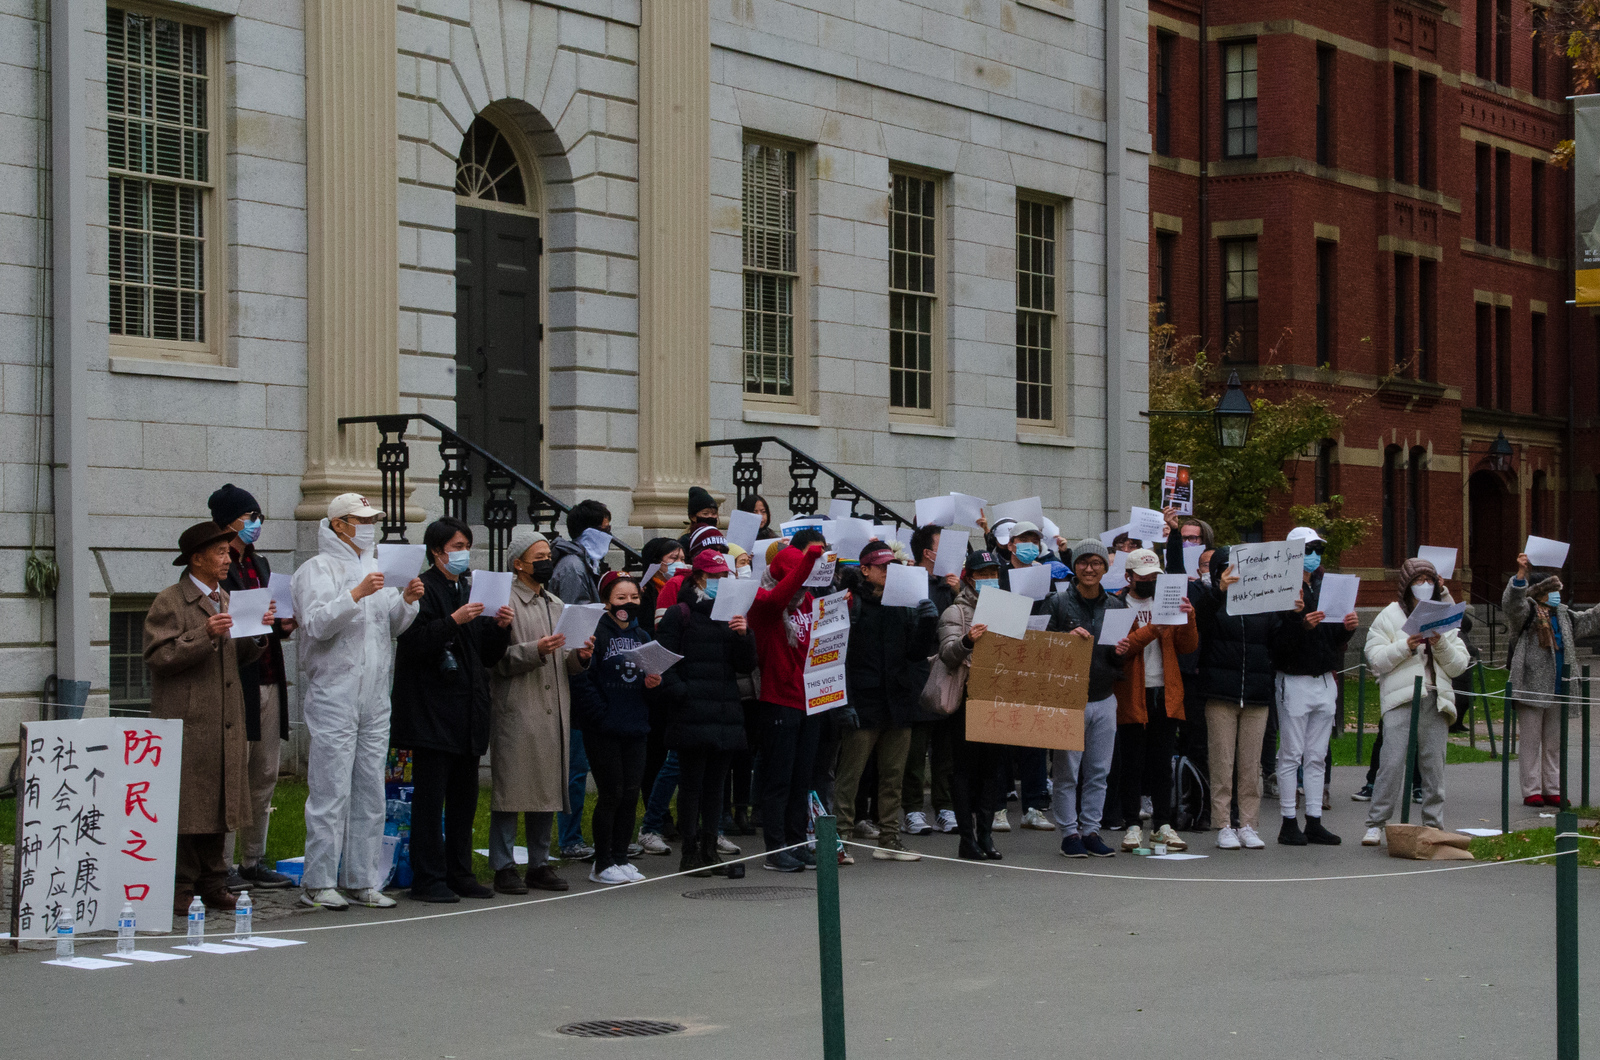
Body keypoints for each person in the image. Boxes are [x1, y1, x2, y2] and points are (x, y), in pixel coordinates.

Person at [292, 494, 423, 910]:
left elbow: (391, 627)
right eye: (360, 520)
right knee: (330, 790)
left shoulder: (376, 567)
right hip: (335, 693)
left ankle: (362, 878)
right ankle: (318, 881)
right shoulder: (316, 569)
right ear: (337, 524)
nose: (369, 527)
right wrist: (354, 595)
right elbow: (316, 624)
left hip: (375, 694)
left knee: (370, 789)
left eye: (372, 520)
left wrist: (407, 601)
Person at [144, 522, 273, 914]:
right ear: (196, 559)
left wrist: (258, 632)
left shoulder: (227, 599)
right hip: (188, 720)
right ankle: (181, 885)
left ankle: (214, 881)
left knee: (219, 801)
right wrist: (204, 633)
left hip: (225, 718)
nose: (228, 558)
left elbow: (239, 655)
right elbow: (158, 657)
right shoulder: (170, 601)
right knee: (189, 803)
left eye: (227, 552)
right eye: (219, 552)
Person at [391, 517, 513, 903]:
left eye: (466, 547)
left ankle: (460, 871)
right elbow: (413, 643)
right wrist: (453, 621)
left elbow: (486, 656)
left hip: (468, 711)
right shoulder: (423, 588)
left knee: (464, 798)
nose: (463, 554)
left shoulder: (469, 587)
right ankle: (428, 877)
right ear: (436, 551)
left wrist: (500, 628)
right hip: (432, 712)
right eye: (456, 547)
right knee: (430, 801)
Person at [487, 526, 594, 895]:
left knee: (547, 789)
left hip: (554, 708)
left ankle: (539, 863)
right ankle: (502, 865)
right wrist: (536, 650)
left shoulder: (555, 603)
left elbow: (566, 661)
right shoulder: (505, 602)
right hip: (519, 706)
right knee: (511, 791)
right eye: (540, 558)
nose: (547, 562)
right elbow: (496, 658)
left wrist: (580, 656)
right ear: (518, 564)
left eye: (549, 557)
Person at [207, 483, 296, 891]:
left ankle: (253, 860)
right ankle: (220, 864)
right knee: (233, 772)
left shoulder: (259, 564)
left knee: (264, 772)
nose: (256, 523)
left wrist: (283, 624)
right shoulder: (217, 567)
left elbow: (267, 621)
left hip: (268, 673)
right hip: (237, 679)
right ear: (228, 521)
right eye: (250, 516)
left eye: (259, 516)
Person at [834, 541, 939, 862]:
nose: (887, 571)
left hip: (898, 702)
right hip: (863, 702)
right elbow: (839, 656)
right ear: (864, 570)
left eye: (891, 566)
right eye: (881, 566)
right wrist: (845, 702)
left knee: (893, 778)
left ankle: (890, 840)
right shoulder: (851, 603)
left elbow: (915, 653)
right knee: (850, 778)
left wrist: (927, 623)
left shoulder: (903, 605)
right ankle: (839, 841)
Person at [655, 550, 757, 875]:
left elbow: (745, 665)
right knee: (691, 785)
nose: (720, 581)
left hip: (724, 711)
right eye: (714, 576)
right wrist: (682, 694)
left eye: (724, 576)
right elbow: (664, 661)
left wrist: (744, 635)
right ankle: (689, 852)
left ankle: (710, 850)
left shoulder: (731, 614)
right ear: (698, 577)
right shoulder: (680, 613)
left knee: (716, 787)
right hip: (693, 713)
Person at [1360, 559, 1470, 844]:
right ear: (1406, 584)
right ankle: (1376, 823)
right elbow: (1375, 659)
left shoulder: (1444, 615)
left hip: (1436, 697)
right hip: (1402, 698)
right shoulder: (1389, 615)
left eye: (1429, 580)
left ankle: (1433, 825)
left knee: (1434, 767)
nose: (1424, 585)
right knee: (1391, 763)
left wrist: (1440, 644)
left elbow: (1458, 665)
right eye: (1418, 580)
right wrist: (1404, 646)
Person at [571, 571, 663, 884]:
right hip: (604, 728)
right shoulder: (595, 632)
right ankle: (602, 862)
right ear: (607, 600)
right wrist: (600, 715)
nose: (628, 603)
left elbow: (652, 684)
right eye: (621, 597)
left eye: (634, 597)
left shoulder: (643, 636)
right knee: (611, 793)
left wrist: (653, 685)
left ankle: (621, 857)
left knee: (630, 794)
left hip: (636, 726)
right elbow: (582, 678)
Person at [1269, 527, 1357, 846]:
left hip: (1323, 678)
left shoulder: (1320, 587)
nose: (1314, 555)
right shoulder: (1280, 589)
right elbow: (1276, 643)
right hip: (1294, 679)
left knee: (1317, 755)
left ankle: (1314, 820)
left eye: (1318, 549)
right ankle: (1288, 821)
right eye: (1308, 549)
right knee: (1292, 753)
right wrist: (1299, 624)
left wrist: (1346, 630)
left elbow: (1329, 638)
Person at [1046, 539, 1129, 858]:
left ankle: (1091, 830)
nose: (1089, 568)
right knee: (1067, 772)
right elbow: (1038, 646)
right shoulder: (1057, 602)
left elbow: (1118, 659)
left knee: (1098, 771)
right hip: (1068, 699)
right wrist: (1065, 640)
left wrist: (1122, 652)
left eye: (1096, 563)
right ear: (1075, 567)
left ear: (1105, 568)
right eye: (1083, 562)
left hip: (1105, 697)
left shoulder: (1117, 606)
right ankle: (1069, 833)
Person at [748, 539, 827, 871]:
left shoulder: (806, 599)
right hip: (778, 698)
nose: (803, 587)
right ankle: (775, 848)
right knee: (779, 780)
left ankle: (797, 843)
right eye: (799, 579)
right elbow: (780, 595)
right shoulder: (763, 600)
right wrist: (808, 561)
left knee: (801, 779)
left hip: (809, 697)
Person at [1112, 548, 1198, 852]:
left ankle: (1163, 824)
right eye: (1143, 576)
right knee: (1132, 762)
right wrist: (1152, 629)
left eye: (1154, 576)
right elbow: (1119, 651)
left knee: (1162, 763)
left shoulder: (1167, 601)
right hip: (1131, 692)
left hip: (1165, 690)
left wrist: (1189, 617)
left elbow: (1188, 646)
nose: (1149, 581)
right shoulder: (1116, 604)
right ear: (1129, 577)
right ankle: (1132, 824)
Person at [1196, 548, 1278, 851]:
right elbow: (1199, 623)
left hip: (1256, 695)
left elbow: (1279, 641)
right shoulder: (1212, 602)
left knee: (1251, 766)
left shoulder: (1263, 604)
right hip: (1221, 693)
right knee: (1222, 762)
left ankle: (1248, 824)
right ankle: (1223, 825)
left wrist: (1295, 616)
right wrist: (1218, 592)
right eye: (1227, 568)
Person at [1503, 552, 1600, 807]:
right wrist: (1520, 576)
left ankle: (1552, 788)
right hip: (1531, 687)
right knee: (1530, 743)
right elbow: (1512, 604)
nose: (1557, 594)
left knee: (1554, 744)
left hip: (1560, 686)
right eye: (1552, 590)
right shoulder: (1526, 614)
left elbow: (1591, 620)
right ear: (1539, 593)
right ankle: (1531, 790)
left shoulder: (1564, 615)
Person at [550, 499, 611, 862]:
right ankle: (569, 837)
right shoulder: (574, 567)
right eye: (605, 528)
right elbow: (574, 624)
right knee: (575, 765)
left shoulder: (585, 563)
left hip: (583, 668)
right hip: (575, 670)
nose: (609, 535)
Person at [938, 551, 1007, 859]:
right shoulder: (956, 612)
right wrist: (967, 640)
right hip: (967, 698)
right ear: (969, 578)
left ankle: (986, 836)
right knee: (965, 769)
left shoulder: (1007, 609)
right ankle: (967, 839)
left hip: (997, 698)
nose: (989, 578)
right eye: (983, 574)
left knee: (992, 769)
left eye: (994, 573)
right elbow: (947, 654)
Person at [901, 523, 961, 835]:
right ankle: (913, 809)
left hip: (949, 672)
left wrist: (959, 592)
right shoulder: (909, 583)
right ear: (928, 553)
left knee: (946, 749)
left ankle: (945, 807)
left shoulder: (953, 586)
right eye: (943, 545)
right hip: (917, 675)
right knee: (915, 751)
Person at [996, 520, 1054, 834]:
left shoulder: (1043, 576)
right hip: (1002, 663)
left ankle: (1034, 806)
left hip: (1035, 661)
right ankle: (997, 808)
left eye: (1034, 539)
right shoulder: (998, 575)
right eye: (1023, 539)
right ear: (1011, 544)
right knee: (999, 738)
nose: (1030, 544)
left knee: (1035, 738)